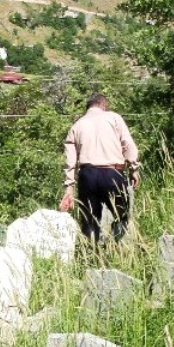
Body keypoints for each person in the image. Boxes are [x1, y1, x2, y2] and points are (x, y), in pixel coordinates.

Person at [59, 93, 140, 242]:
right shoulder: (114, 118)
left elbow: (70, 162)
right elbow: (127, 144)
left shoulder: (77, 125)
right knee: (121, 215)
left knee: (90, 222)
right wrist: (134, 168)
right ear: (103, 105)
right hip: (112, 173)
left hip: (87, 175)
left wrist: (69, 188)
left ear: (88, 107)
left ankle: (92, 256)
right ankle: (119, 251)